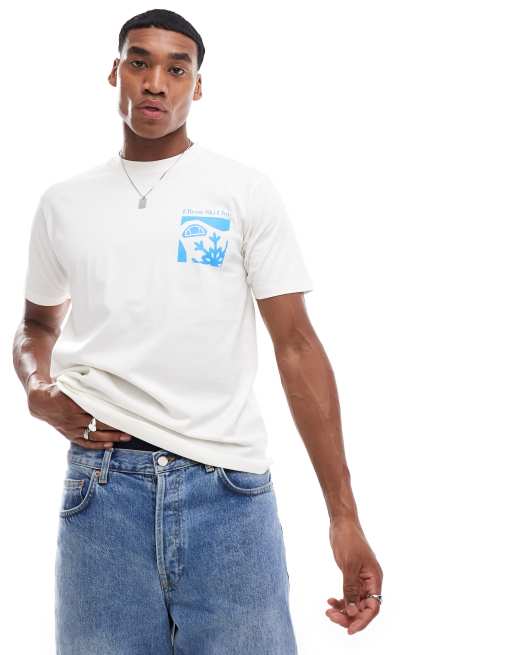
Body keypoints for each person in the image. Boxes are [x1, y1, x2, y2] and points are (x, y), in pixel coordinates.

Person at [12, 8, 383, 654]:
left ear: (197, 85)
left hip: (228, 497)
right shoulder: (63, 203)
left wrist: (343, 516)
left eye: (176, 69)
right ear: (115, 73)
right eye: (139, 62)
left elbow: (296, 345)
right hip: (103, 495)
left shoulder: (242, 192)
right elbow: (37, 324)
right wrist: (37, 389)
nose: (155, 82)